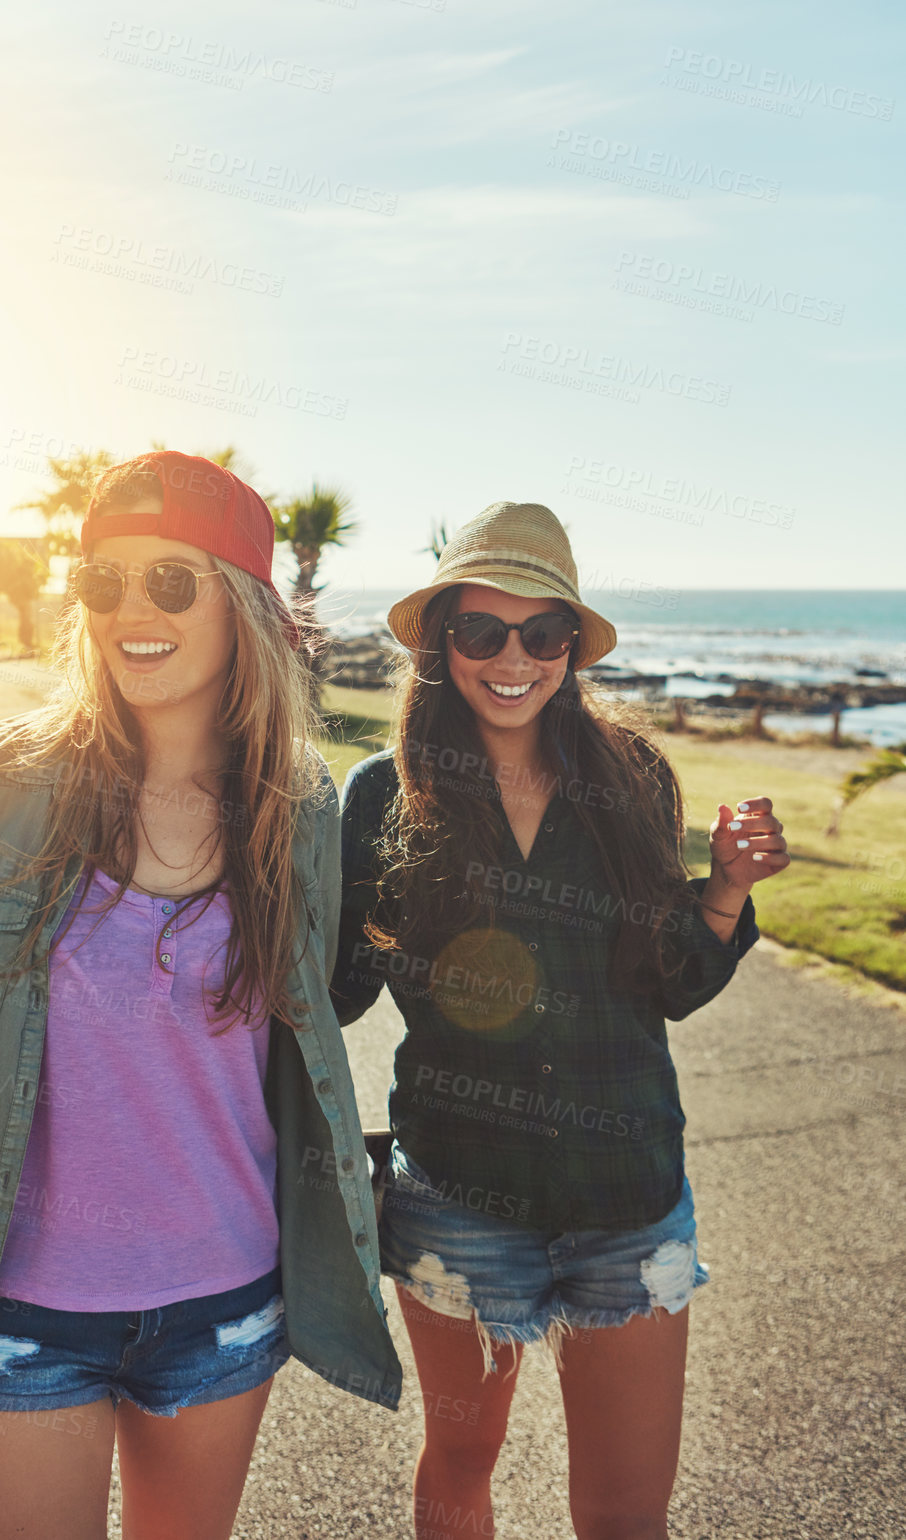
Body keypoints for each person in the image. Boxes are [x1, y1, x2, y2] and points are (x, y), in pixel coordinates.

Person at [0, 451, 400, 1540]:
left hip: (224, 1305)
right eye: (103, 582)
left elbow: (304, 1025)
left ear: (240, 599)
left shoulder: (295, 804)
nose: (129, 611)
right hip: (13, 1313)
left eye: (169, 581)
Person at [332, 501, 789, 1540]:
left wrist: (718, 891)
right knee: (458, 1464)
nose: (512, 657)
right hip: (455, 1196)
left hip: (626, 1199)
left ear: (570, 649)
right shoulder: (378, 796)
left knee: (626, 1514)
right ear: (440, 641)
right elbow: (334, 988)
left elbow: (665, 980)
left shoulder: (632, 778)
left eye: (542, 634)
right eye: (481, 630)